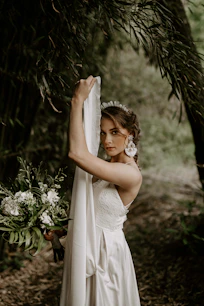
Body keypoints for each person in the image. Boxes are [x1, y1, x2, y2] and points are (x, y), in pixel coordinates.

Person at [61, 75, 142, 306]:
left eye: (115, 131)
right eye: (102, 132)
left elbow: (77, 153)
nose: (107, 140)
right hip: (87, 252)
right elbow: (91, 215)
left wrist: (77, 101)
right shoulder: (106, 170)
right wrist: (60, 233)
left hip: (107, 258)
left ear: (130, 134)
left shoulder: (130, 173)